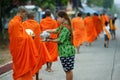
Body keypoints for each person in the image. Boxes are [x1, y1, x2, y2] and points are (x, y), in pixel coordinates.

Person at [8, 6, 38, 80]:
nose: (25, 16)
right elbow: (20, 38)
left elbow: (20, 35)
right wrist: (30, 38)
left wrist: (27, 37)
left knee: (20, 68)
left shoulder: (15, 21)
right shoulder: (15, 23)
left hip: (17, 49)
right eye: (25, 14)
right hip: (19, 50)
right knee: (21, 69)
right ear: (21, 12)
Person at [45, 10, 75, 80]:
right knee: (68, 70)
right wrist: (47, 30)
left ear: (63, 18)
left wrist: (49, 40)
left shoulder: (65, 28)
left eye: (58, 17)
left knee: (67, 71)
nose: (57, 19)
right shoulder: (64, 25)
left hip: (66, 52)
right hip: (67, 52)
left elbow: (60, 40)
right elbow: (57, 30)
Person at [22, 10, 51, 80]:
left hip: (26, 46)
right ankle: (37, 78)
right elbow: (38, 37)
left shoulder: (23, 24)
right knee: (36, 62)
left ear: (27, 17)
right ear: (33, 16)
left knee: (27, 61)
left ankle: (28, 77)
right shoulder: (36, 24)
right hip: (35, 46)